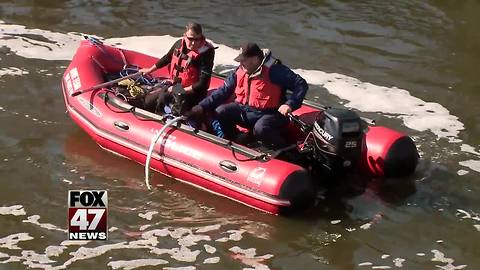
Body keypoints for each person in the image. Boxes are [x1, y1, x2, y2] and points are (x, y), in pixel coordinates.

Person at [187, 42, 308, 149]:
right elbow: (223, 91)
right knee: (221, 111)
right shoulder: (240, 71)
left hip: (272, 114)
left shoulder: (275, 71)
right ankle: (237, 139)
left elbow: (301, 84)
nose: (241, 63)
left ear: (255, 58)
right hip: (247, 110)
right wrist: (201, 106)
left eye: (244, 60)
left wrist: (290, 104)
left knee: (261, 128)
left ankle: (283, 150)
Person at [140, 22, 215, 114]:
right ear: (185, 36)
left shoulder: (206, 53)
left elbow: (202, 84)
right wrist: (149, 70)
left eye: (197, 39)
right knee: (148, 101)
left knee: (163, 99)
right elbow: (167, 58)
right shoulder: (179, 44)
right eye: (190, 39)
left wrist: (179, 90)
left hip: (193, 93)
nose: (193, 42)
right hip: (176, 87)